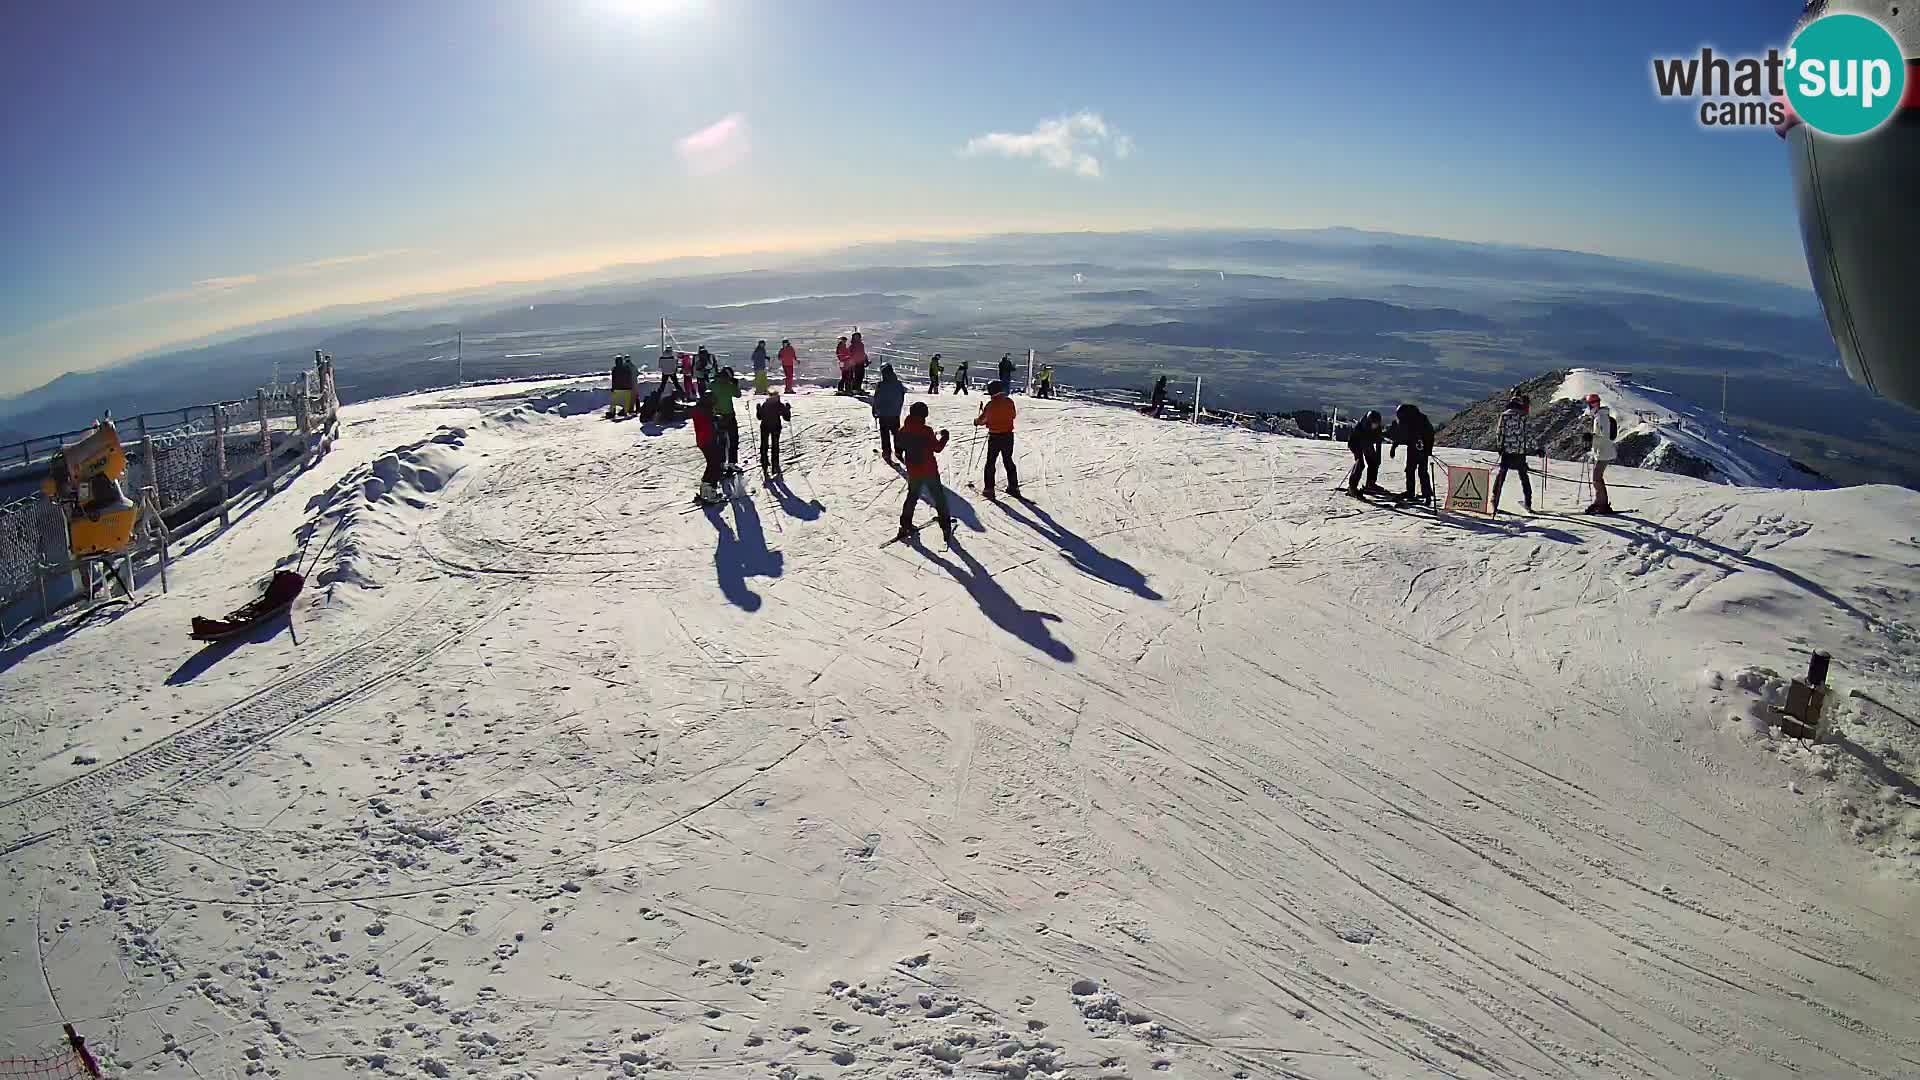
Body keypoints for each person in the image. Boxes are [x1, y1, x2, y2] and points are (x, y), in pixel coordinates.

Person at [895, 401, 953, 542]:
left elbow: (898, 450)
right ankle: (945, 525)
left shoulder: (903, 430)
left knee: (912, 497)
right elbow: (937, 448)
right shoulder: (926, 431)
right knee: (938, 497)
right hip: (929, 470)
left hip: (914, 471)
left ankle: (905, 525)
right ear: (924, 415)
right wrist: (945, 437)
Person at [974, 380, 1021, 498]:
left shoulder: (990, 405)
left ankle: (989, 489)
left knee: (991, 462)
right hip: (1008, 436)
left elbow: (982, 420)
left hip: (995, 436)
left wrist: (976, 421)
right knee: (1008, 460)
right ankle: (1013, 487)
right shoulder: (1009, 402)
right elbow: (1013, 415)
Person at [1492, 395, 1535, 514]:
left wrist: (1499, 447)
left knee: (1501, 476)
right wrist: (1536, 448)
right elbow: (1529, 434)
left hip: (1507, 452)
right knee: (1524, 477)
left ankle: (1495, 501)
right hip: (1520, 452)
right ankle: (1528, 502)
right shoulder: (1523, 416)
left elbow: (1499, 432)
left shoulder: (1504, 415)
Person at [1386, 403, 1434, 505]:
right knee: (1422, 472)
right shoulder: (1422, 419)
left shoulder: (1407, 421)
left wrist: (1394, 447)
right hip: (1421, 450)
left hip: (1415, 449)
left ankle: (1411, 493)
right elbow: (1431, 434)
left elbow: (1400, 435)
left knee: (1411, 470)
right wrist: (1428, 450)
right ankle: (1426, 494)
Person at [1582, 392, 1617, 514]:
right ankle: (1600, 502)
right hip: (1602, 451)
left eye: (1589, 404)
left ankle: (1602, 504)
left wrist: (1591, 437)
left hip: (1604, 452)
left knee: (1596, 478)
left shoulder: (1601, 418)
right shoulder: (1600, 416)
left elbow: (1604, 436)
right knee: (1597, 478)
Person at [692, 393, 725, 504]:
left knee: (712, 463)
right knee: (715, 464)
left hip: (703, 440)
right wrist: (717, 420)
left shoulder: (700, 409)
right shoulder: (705, 411)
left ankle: (705, 488)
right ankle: (710, 492)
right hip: (708, 440)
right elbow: (709, 422)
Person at [872, 363, 907, 463]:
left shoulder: (881, 385)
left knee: (885, 434)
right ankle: (899, 451)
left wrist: (875, 411)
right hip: (895, 413)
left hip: (883, 414)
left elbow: (876, 399)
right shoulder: (898, 384)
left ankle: (887, 452)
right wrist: (898, 409)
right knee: (896, 433)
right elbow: (901, 397)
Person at [1345, 410, 1385, 496]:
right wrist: (1359, 456)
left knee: (1374, 462)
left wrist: (1378, 457)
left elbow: (1378, 442)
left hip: (1367, 443)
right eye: (1374, 423)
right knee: (1360, 464)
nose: (1376, 425)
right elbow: (1356, 442)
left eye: (1377, 423)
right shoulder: (1361, 427)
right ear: (1369, 421)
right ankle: (1352, 487)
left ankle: (1370, 484)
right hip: (1355, 443)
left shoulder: (1377, 427)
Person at [713, 366, 742, 472]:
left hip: (716, 416)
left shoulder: (713, 384)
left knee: (720, 441)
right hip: (729, 415)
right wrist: (735, 384)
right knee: (733, 439)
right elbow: (738, 394)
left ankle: (721, 463)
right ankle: (731, 462)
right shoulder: (729, 385)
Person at [756, 389, 791, 473]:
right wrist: (787, 409)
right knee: (775, 444)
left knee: (764, 444)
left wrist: (758, 409)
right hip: (775, 426)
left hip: (765, 426)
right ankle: (775, 463)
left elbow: (759, 417)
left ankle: (764, 460)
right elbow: (787, 418)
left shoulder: (765, 404)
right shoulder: (779, 405)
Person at [607, 354, 634, 418]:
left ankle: (612, 412)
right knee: (626, 401)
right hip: (627, 388)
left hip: (617, 388)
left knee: (613, 402)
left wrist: (613, 388)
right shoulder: (627, 368)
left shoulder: (614, 369)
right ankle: (625, 411)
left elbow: (614, 379)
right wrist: (631, 386)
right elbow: (629, 377)